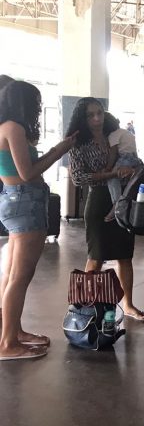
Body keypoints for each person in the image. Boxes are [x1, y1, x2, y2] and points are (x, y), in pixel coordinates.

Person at [0, 81, 75, 360]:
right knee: (20, 276)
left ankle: (13, 332)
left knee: (11, 274)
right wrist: (60, 150)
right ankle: (7, 344)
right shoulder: (13, 128)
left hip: (14, 198)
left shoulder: (4, 127)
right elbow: (28, 172)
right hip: (24, 200)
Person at [67, 98, 144, 322]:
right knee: (96, 257)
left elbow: (137, 163)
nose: (96, 119)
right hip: (98, 201)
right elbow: (78, 177)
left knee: (125, 255)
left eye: (99, 113)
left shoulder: (116, 135)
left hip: (122, 200)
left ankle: (128, 305)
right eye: (90, 115)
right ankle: (84, 309)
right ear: (82, 119)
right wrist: (113, 173)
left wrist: (131, 169)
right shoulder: (79, 143)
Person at [103, 113, 143, 222]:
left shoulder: (113, 135)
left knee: (111, 177)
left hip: (125, 158)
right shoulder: (125, 131)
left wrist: (108, 168)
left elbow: (113, 153)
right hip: (135, 158)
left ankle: (117, 203)